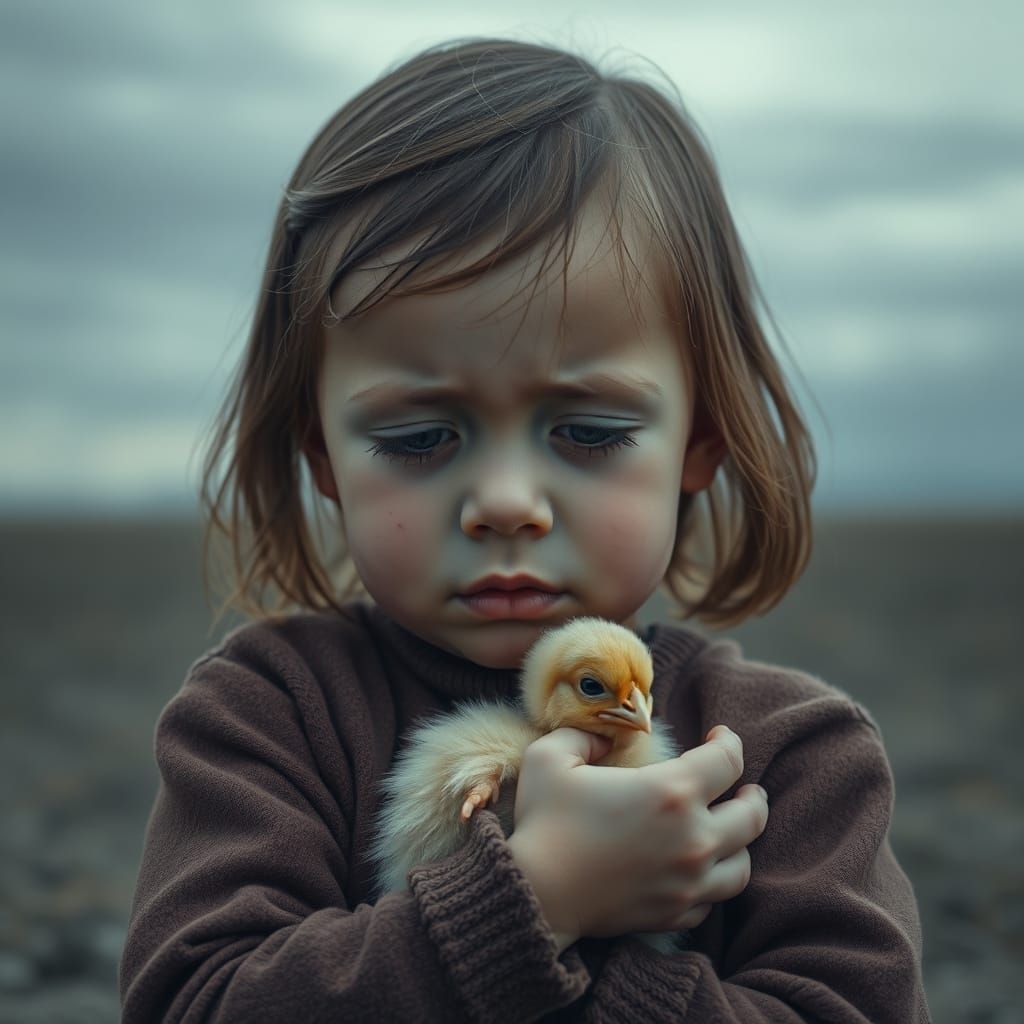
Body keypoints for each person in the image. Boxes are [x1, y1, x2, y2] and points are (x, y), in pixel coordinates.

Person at [119, 37, 931, 1022]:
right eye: (420, 437)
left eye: (586, 431)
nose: (506, 501)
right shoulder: (267, 717)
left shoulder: (790, 757)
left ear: (698, 441)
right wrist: (531, 904)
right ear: (323, 456)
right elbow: (191, 1002)